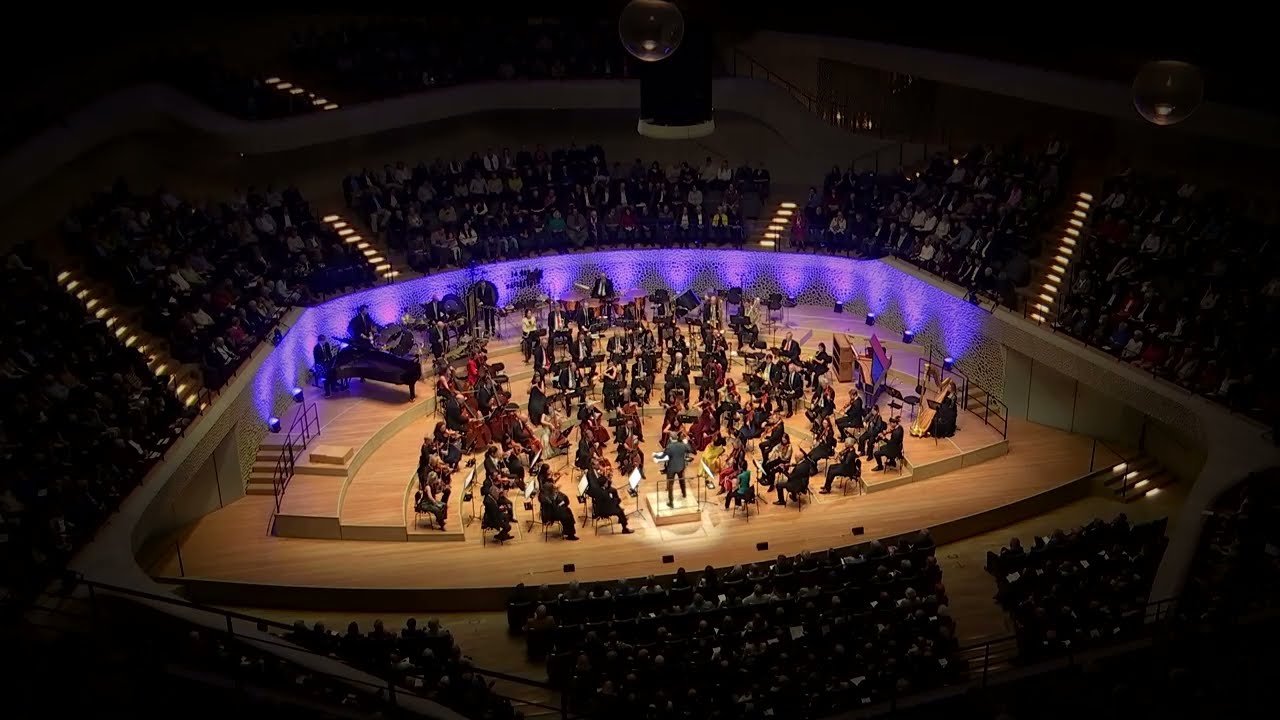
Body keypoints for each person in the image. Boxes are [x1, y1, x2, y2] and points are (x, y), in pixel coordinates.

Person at [662, 432, 694, 508]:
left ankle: (671, 502)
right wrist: (686, 443)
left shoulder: (669, 447)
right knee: (681, 480)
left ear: (670, 438)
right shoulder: (682, 445)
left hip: (672, 468)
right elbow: (690, 449)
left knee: (670, 484)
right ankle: (684, 494)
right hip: (681, 466)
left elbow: (664, 455)